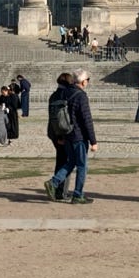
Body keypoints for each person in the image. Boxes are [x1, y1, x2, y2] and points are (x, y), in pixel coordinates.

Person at [45, 69, 97, 205]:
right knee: (82, 165)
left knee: (70, 162)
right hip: (78, 135)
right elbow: (86, 119)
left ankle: (54, 182)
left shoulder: (64, 93)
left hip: (66, 133)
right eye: (88, 80)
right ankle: (78, 195)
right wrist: (93, 140)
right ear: (83, 81)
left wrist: (60, 135)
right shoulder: (81, 96)